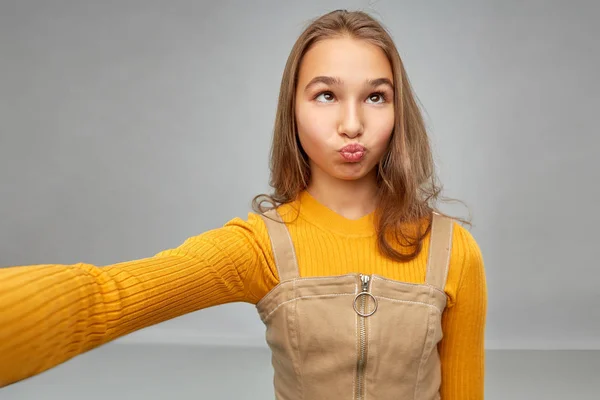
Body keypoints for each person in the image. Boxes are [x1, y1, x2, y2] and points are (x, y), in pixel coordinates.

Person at [0, 9, 487, 399]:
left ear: (399, 109)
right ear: (292, 110)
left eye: (376, 97)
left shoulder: (452, 250)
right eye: (325, 95)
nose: (352, 124)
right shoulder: (260, 247)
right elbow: (107, 296)